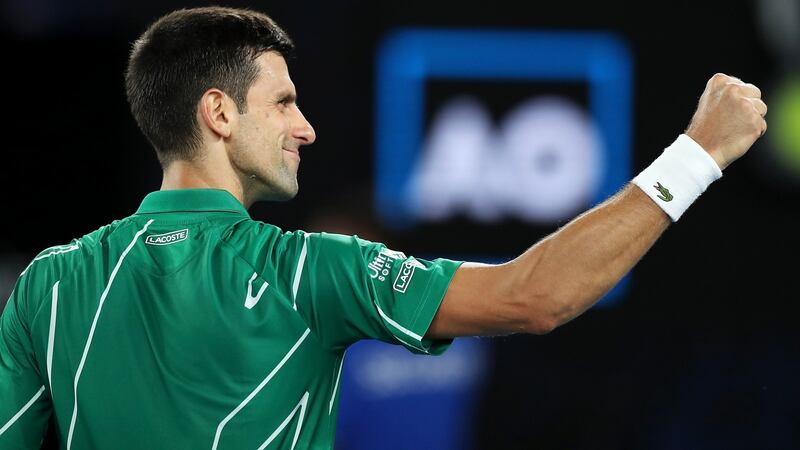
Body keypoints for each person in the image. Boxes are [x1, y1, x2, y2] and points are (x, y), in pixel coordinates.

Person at [0, 6, 767, 450]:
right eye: (282, 103)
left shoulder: (49, 283)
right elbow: (538, 296)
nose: (305, 127)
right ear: (219, 113)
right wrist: (697, 155)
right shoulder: (306, 272)